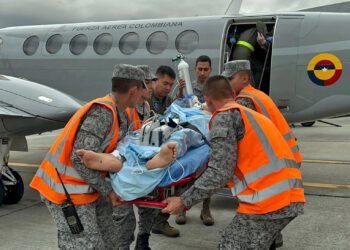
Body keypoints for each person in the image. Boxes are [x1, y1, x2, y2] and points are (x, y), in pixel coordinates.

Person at [162, 75, 305, 250]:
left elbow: (220, 172)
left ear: (207, 99)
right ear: (232, 93)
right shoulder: (252, 115)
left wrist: (183, 200)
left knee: (230, 246)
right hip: (289, 195)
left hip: (268, 202)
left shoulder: (224, 117)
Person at [30, 64, 146, 249]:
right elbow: (79, 159)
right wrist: (108, 190)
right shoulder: (103, 113)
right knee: (86, 245)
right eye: (142, 88)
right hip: (65, 190)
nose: (143, 94)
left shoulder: (118, 112)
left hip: (87, 187)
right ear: (133, 90)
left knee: (111, 240)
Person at [222, 60, 303, 248]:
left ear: (244, 77)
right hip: (287, 158)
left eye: (230, 78)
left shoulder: (245, 100)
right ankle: (272, 237)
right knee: (270, 219)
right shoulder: (258, 95)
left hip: (276, 165)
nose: (227, 83)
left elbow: (236, 132)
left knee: (261, 216)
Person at [175, 55, 214, 226]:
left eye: (206, 69)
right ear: (195, 69)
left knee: (208, 174)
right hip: (191, 135)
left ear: (210, 70)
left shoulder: (214, 89)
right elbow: (176, 107)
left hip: (208, 137)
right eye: (200, 69)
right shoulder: (187, 86)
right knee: (187, 172)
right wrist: (180, 92)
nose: (203, 72)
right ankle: (182, 208)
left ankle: (206, 209)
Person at [148, 65, 181, 237]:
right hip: (149, 150)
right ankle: (154, 224)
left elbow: (172, 121)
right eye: (165, 83)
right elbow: (149, 126)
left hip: (162, 147)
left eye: (171, 85)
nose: (168, 88)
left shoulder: (167, 100)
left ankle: (160, 222)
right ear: (155, 81)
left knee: (166, 188)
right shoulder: (147, 99)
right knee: (153, 191)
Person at [125, 65, 155, 132]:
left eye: (151, 82)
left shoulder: (146, 105)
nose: (151, 87)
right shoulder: (125, 109)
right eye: (147, 83)